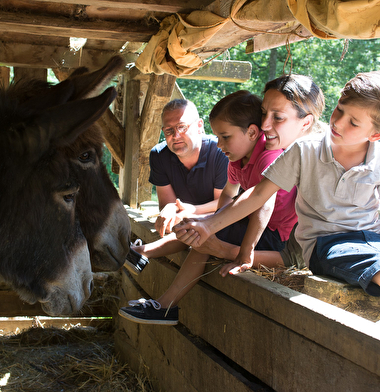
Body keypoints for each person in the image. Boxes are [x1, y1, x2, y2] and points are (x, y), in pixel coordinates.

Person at [119, 75, 325, 325]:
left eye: (225, 137)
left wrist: (236, 246)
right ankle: (143, 255)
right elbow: (229, 193)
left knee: (204, 239)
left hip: (278, 237)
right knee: (199, 229)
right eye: (263, 114)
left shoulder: (272, 155)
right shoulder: (240, 158)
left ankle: (165, 305)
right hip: (262, 226)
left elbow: (262, 200)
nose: (266, 125)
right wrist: (213, 220)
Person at [175, 71, 380, 297]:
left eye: (353, 122)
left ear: (375, 135)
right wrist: (208, 225)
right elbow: (258, 195)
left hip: (372, 240)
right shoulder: (305, 150)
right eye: (339, 109)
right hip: (328, 245)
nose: (338, 121)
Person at [124, 98, 229, 274]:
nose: (176, 135)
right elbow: (166, 206)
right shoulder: (159, 154)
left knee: (203, 225)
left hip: (223, 219)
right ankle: (138, 254)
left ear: (199, 125)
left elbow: (224, 204)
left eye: (182, 127)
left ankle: (140, 252)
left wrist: (191, 211)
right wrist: (172, 209)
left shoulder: (220, 152)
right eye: (169, 130)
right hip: (186, 221)